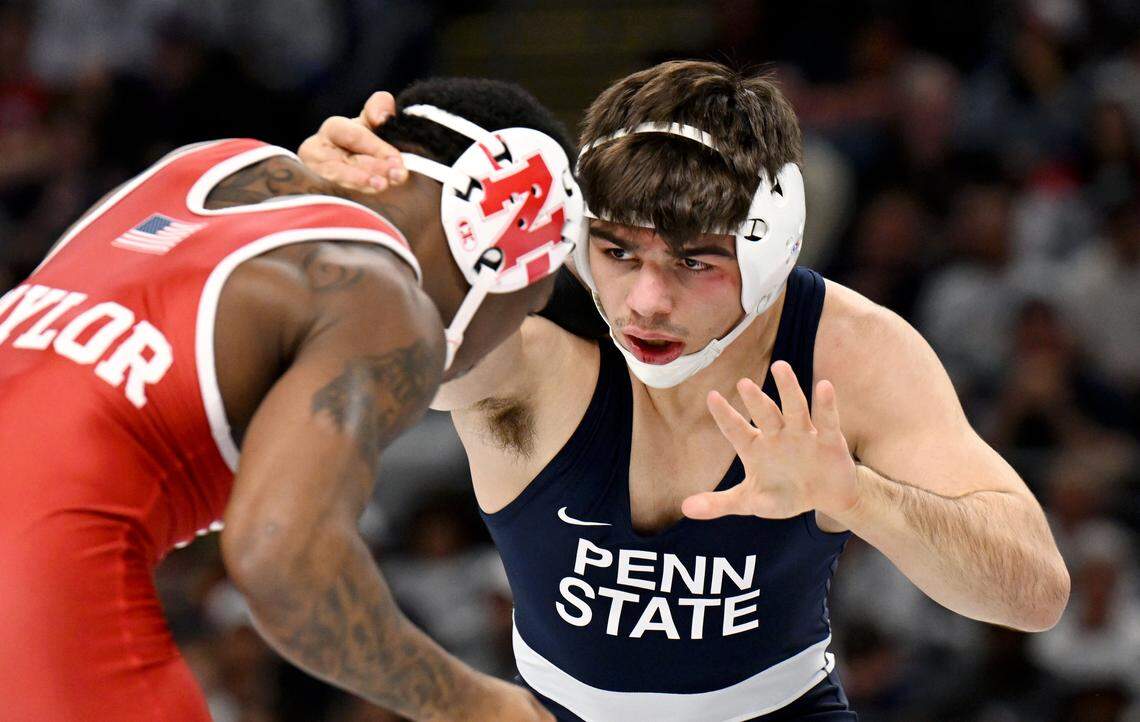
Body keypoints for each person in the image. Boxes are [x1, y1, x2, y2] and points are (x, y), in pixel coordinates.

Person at [303, 60, 1070, 722]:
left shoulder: (847, 356)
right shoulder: (526, 343)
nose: (645, 303)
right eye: (618, 252)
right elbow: (309, 344)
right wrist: (315, 210)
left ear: (770, 252)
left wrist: (859, 496)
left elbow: (1034, 595)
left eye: (694, 262)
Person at [0, 77, 583, 722]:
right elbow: (284, 565)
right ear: (495, 242)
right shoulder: (384, 303)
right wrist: (478, 705)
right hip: (34, 589)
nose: (511, 336)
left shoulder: (208, 164)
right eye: (529, 304)